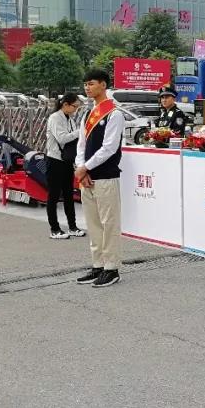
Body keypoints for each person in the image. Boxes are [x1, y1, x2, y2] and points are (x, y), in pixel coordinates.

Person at [74, 70, 126, 288]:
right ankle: (98, 265)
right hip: (87, 177)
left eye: (91, 83)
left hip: (106, 176)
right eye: (85, 84)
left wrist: (85, 167)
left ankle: (111, 268)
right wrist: (81, 168)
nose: (87, 88)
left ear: (103, 85)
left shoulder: (114, 114)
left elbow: (109, 148)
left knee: (109, 223)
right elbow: (81, 145)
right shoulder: (88, 114)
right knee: (93, 224)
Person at [46, 93, 85, 239]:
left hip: (67, 160)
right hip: (55, 160)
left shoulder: (69, 118)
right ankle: (54, 229)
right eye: (75, 106)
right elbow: (62, 138)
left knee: (69, 194)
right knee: (54, 195)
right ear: (65, 105)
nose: (76, 109)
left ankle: (72, 227)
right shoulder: (55, 118)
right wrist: (80, 132)